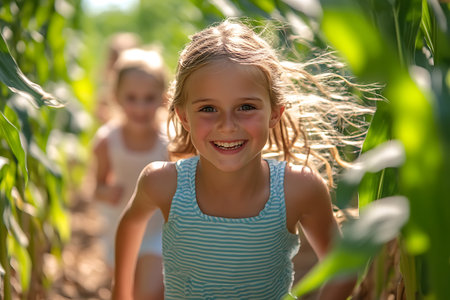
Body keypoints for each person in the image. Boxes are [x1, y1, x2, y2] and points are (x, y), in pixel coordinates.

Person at [112, 19, 375, 300]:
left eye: (246, 107)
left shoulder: (297, 189)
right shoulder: (163, 183)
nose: (227, 125)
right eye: (209, 108)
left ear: (275, 112)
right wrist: (121, 294)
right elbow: (130, 225)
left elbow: (343, 267)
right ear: (183, 116)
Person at [92, 47, 168, 299]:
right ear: (116, 97)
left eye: (149, 98)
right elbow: (97, 187)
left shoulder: (169, 143)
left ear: (163, 97)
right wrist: (107, 192)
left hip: (158, 230)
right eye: (131, 98)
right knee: (125, 292)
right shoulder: (107, 141)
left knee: (148, 292)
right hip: (119, 228)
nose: (140, 107)